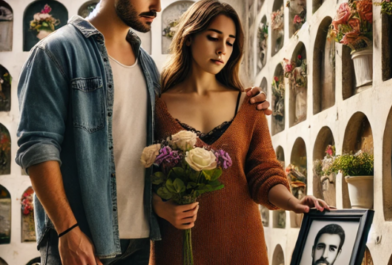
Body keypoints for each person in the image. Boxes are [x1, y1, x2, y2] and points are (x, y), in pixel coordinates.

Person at [15, 0, 269, 264]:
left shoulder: (147, 66)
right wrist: (67, 230)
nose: (157, 7)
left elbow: (148, 152)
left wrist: (249, 102)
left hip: (138, 245)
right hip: (82, 240)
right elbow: (38, 148)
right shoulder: (56, 51)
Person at [151, 1, 330, 264]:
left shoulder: (249, 105)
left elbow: (263, 171)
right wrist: (160, 208)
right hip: (177, 251)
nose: (222, 49)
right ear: (189, 38)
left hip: (243, 250)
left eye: (230, 41)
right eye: (213, 37)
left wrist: (293, 202)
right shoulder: (156, 106)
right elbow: (137, 178)